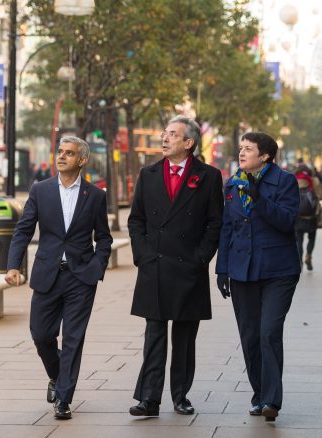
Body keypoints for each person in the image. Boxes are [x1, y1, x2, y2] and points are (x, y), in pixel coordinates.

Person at [5, 136, 112, 420]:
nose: (61, 156)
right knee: (41, 335)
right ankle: (57, 376)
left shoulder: (96, 196)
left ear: (82, 160)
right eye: (60, 152)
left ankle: (64, 399)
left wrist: (97, 266)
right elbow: (24, 230)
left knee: (74, 339)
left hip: (81, 278)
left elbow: (104, 237)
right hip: (47, 274)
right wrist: (14, 265)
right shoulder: (40, 190)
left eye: (69, 153)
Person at [128, 116, 224, 417]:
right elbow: (136, 220)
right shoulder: (149, 173)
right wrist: (142, 255)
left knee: (184, 338)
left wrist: (200, 258)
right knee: (154, 335)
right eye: (164, 133)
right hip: (154, 266)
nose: (164, 138)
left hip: (188, 268)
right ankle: (148, 399)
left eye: (172, 134)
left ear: (189, 142)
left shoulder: (208, 176)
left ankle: (181, 396)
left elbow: (214, 223)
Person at [216, 132, 301, 422]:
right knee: (250, 336)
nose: (241, 153)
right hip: (242, 269)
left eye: (248, 149)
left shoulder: (285, 181)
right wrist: (222, 268)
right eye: (241, 148)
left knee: (268, 332)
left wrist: (259, 198)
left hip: (279, 270)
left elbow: (287, 221)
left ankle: (271, 401)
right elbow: (227, 228)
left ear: (264, 155)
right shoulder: (233, 183)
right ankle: (259, 394)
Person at [294, 163, 322, 271]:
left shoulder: (293, 179)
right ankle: (308, 256)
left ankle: (299, 262)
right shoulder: (314, 180)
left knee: (299, 240)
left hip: (298, 216)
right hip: (312, 216)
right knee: (311, 238)